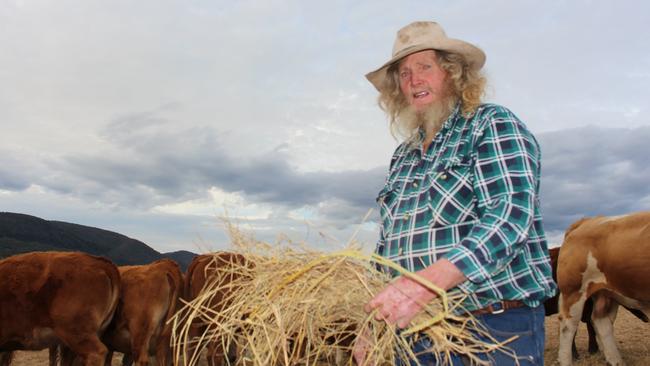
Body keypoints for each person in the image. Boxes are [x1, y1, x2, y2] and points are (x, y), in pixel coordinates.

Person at [353, 21, 557, 365]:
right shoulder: (404, 155)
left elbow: (510, 216)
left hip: (492, 330)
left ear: (452, 73)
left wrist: (422, 286)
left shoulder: (491, 124)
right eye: (403, 74)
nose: (413, 80)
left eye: (424, 67)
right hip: (415, 334)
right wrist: (373, 322)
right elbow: (389, 247)